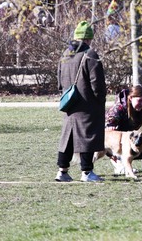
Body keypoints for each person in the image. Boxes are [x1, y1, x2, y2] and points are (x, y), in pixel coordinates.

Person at [55, 21, 107, 182]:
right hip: (88, 104)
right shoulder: (90, 54)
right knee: (88, 137)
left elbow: (59, 81)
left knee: (68, 138)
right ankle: (87, 172)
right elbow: (96, 83)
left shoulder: (65, 54)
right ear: (88, 39)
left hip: (70, 102)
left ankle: (62, 171)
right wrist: (101, 100)